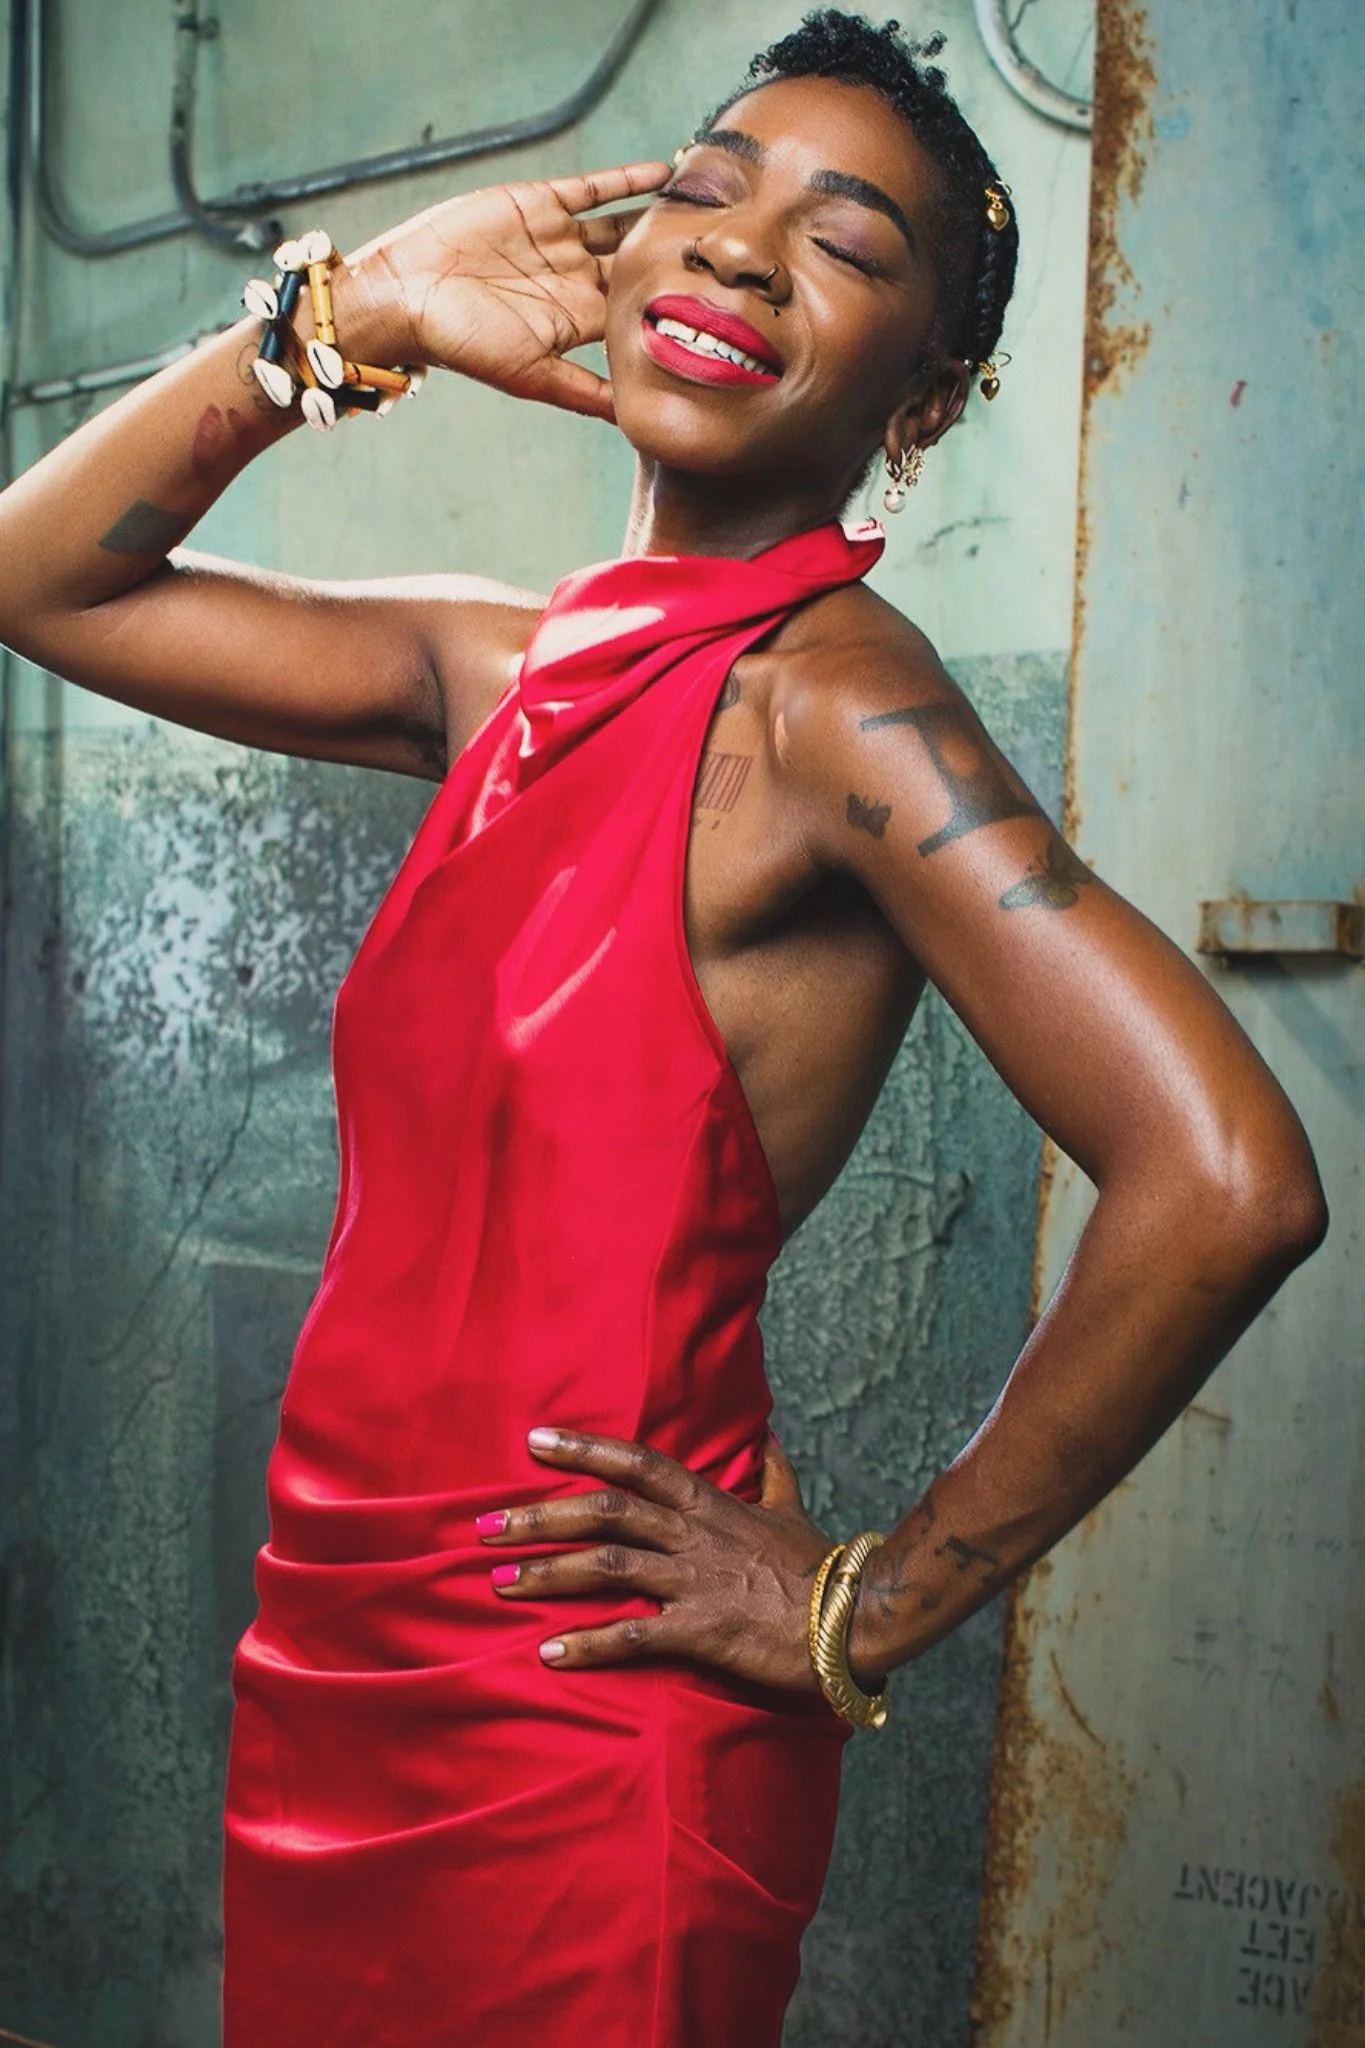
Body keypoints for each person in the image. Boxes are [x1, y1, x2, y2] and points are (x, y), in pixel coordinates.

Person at [0, 10, 1327, 2045]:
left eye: (846, 247)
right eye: (704, 194)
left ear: (925, 399)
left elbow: (1227, 1179)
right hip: (344, 1664)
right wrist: (360, 311)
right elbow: (41, 582)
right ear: (621, 258)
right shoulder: (501, 666)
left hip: (581, 1723)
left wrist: (864, 1603)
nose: (738, 252)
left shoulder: (836, 711)